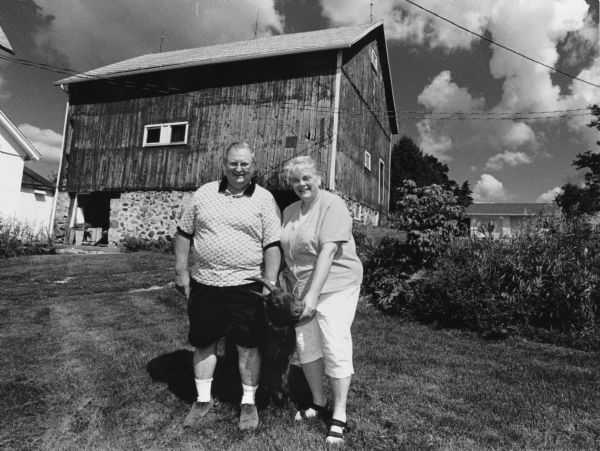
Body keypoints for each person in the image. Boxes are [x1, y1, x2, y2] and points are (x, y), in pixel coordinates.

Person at [174, 141, 281, 431]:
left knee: (249, 346)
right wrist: (181, 271)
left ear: (253, 167)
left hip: (246, 286)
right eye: (233, 163)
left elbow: (272, 245)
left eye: (245, 164)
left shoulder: (264, 199)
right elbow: (184, 234)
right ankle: (203, 399)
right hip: (205, 283)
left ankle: (248, 402)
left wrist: (270, 282)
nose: (239, 169)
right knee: (203, 342)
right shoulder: (203, 193)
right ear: (224, 164)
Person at [279, 155, 363, 445]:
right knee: (306, 345)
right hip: (302, 287)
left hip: (337, 283)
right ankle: (318, 401)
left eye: (306, 178)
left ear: (318, 179)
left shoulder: (332, 204)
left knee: (334, 341)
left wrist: (313, 297)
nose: (301, 184)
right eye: (294, 180)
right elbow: (286, 252)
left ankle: (339, 414)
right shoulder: (290, 210)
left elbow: (327, 253)